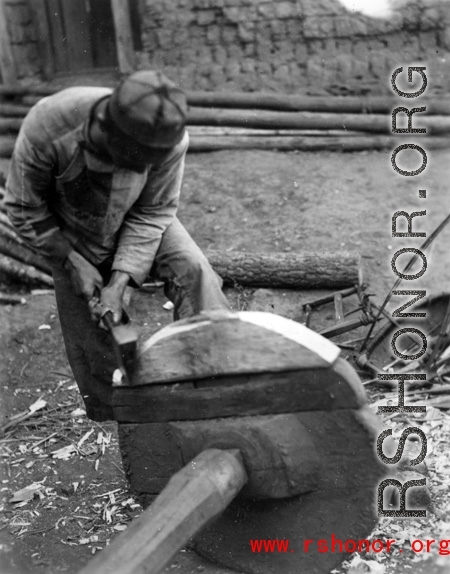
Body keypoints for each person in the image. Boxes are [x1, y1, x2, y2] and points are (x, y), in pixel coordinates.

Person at [4, 70, 230, 421]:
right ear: (105, 129)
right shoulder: (49, 124)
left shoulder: (169, 140)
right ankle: (125, 420)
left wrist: (120, 281)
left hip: (139, 214)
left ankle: (218, 380)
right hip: (70, 229)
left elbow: (154, 209)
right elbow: (23, 207)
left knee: (195, 272)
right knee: (95, 343)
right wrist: (73, 260)